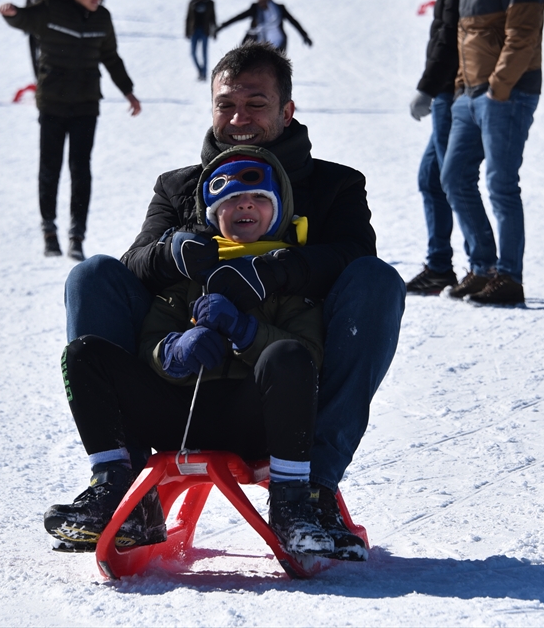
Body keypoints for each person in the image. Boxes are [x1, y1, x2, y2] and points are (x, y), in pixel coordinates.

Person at [61, 42, 405, 559]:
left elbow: (354, 257)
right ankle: (122, 486)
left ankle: (312, 485)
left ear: (286, 111)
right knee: (92, 276)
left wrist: (272, 274)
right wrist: (170, 254)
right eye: (226, 104)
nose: (239, 116)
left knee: (376, 281)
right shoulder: (178, 189)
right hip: (185, 380)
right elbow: (133, 269)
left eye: (256, 103)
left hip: (284, 381)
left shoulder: (334, 186)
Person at [47, 147, 343, 557]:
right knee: (85, 355)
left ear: (278, 212)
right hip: (176, 418)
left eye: (259, 199)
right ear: (210, 214)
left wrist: (247, 331)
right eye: (230, 201)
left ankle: (293, 505)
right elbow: (148, 342)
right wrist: (173, 352)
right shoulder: (188, 279)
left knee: (287, 355)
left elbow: (307, 356)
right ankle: (114, 485)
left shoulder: (288, 280)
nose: (245, 205)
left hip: (254, 424)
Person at [443, 0, 544, 305]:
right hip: (470, 95)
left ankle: (509, 276)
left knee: (501, 185)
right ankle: (482, 266)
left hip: (508, 94)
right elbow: (466, 39)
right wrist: (461, 89)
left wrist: (499, 88)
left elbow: (522, 34)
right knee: (453, 177)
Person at [0, 0, 141, 261]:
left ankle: (77, 235)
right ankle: (49, 231)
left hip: (86, 104)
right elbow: (26, 19)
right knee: (50, 167)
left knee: (80, 169)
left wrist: (128, 91)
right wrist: (11, 14)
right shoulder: (51, 9)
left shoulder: (102, 18)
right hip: (52, 101)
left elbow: (111, 57)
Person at [408, 0, 473, 296]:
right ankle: (440, 267)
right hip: (446, 92)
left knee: (450, 180)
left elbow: (450, 41)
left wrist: (427, 88)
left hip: (453, 91)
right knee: (433, 178)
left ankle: (481, 266)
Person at [217, 0, 312, 53]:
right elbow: (238, 17)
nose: (261, 1)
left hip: (277, 42)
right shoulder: (255, 8)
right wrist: (221, 27)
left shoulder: (279, 9)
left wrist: (304, 35)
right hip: (259, 41)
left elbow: (293, 21)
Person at [185, 0, 217, 81]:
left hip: (204, 31)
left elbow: (213, 18)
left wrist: (214, 31)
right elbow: (188, 17)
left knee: (204, 53)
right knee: (193, 53)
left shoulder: (209, 3)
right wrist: (187, 31)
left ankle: (204, 73)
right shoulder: (193, 2)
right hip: (195, 30)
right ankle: (200, 70)